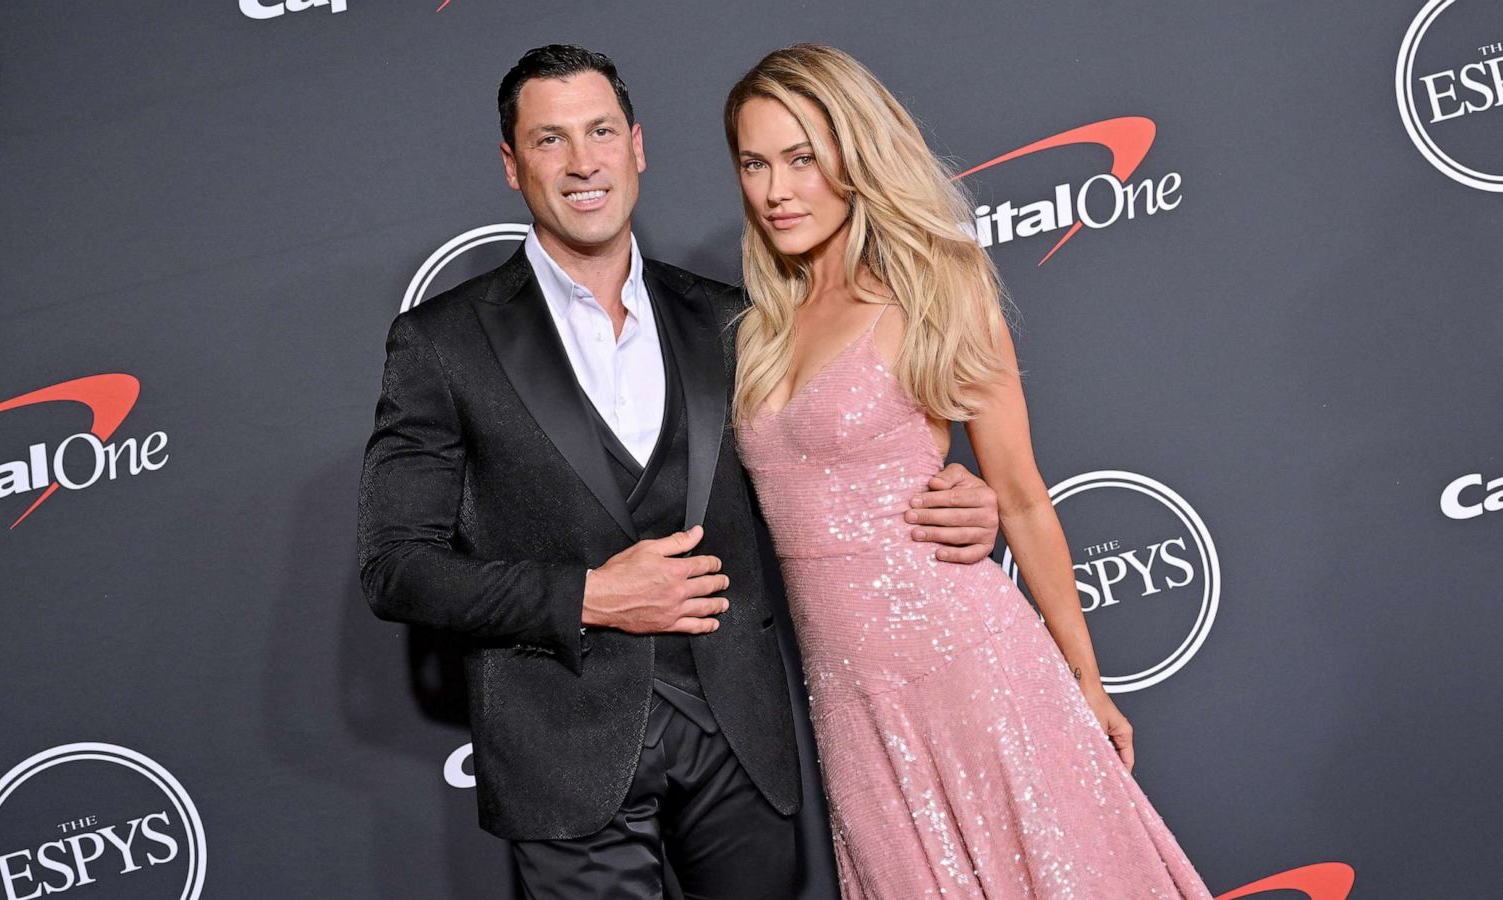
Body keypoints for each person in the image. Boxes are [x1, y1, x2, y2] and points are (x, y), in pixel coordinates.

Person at [357, 44, 1002, 899]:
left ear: (637, 146)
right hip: (567, 752)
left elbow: (820, 466)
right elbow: (396, 569)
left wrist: (955, 493)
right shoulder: (442, 343)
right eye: (550, 141)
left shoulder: (733, 321)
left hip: (737, 733)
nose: (582, 162)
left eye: (599, 132)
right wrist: (587, 596)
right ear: (512, 167)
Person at [725, 44, 1214, 898]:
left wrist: (1087, 685)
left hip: (969, 666)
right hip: (851, 704)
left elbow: (1020, 496)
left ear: (853, 153)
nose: (776, 190)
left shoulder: (938, 289)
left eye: (802, 158)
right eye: (755, 162)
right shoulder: (761, 322)